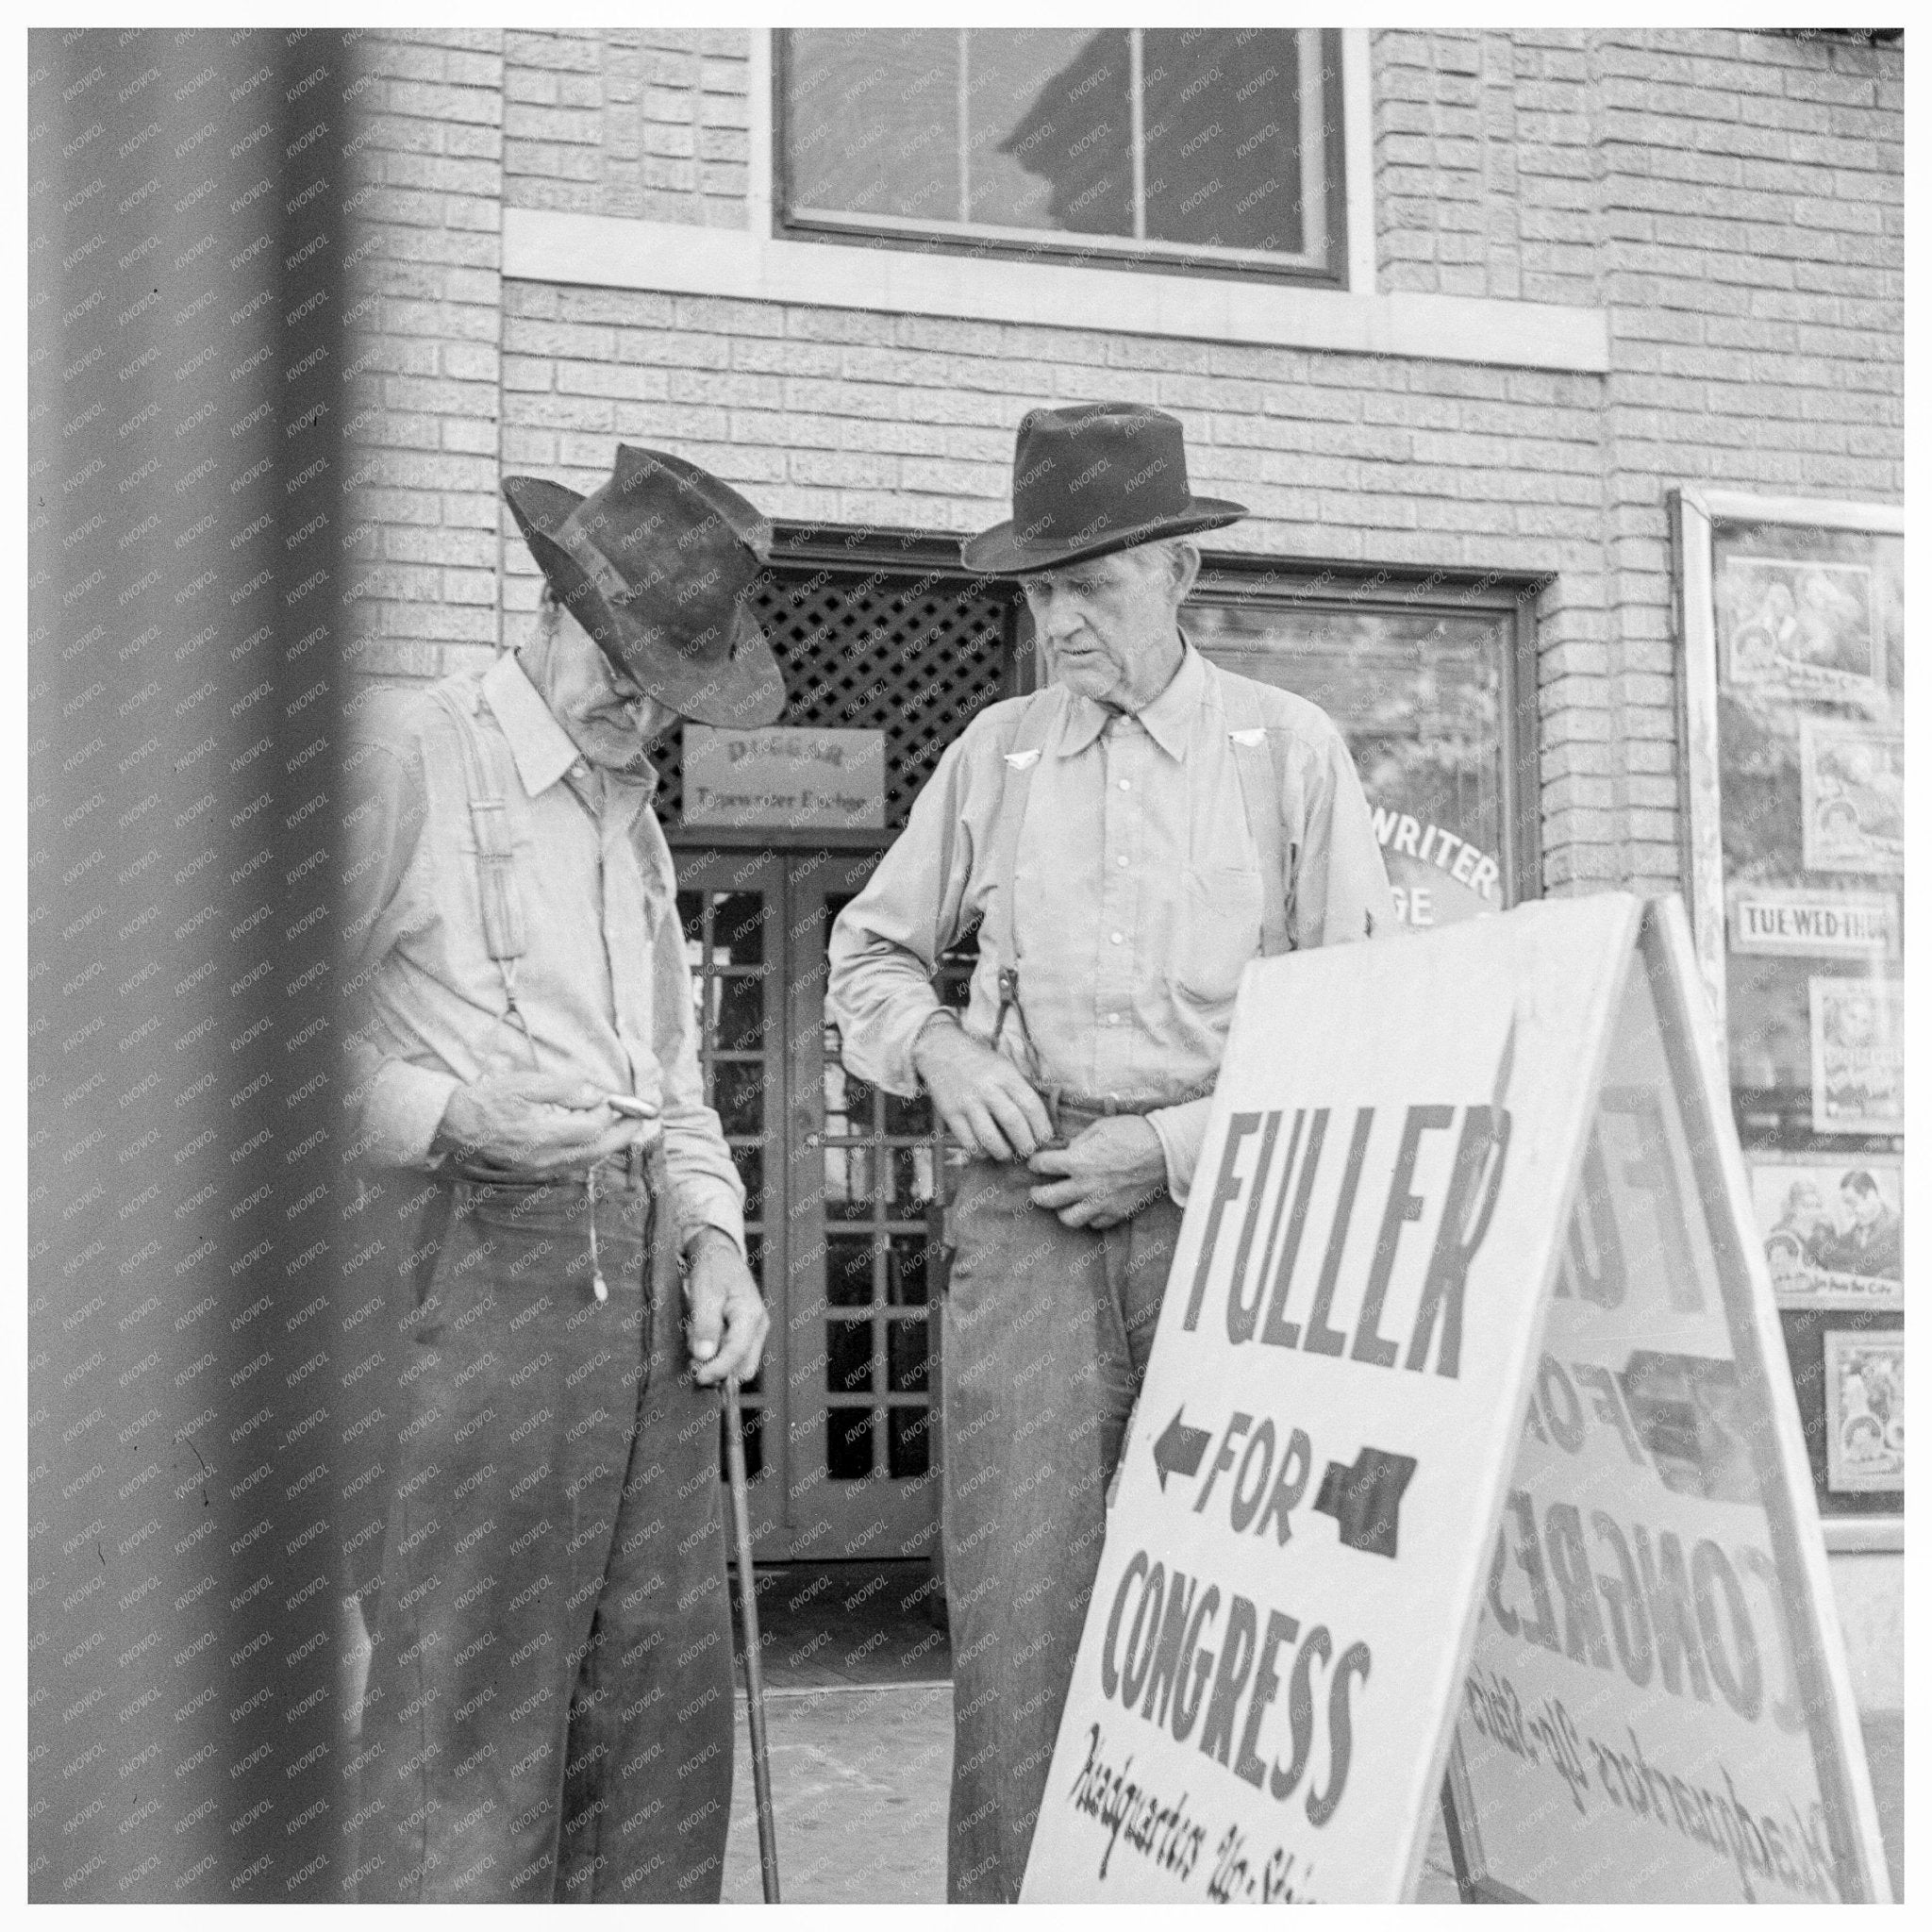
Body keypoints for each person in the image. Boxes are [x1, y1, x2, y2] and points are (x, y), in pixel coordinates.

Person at [825, 401, 1396, 1902]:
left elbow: (1363, 1019)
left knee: (1244, 1622)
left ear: (1180, 576)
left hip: (1241, 1220)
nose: (1059, 619)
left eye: (1093, 583)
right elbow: (866, 959)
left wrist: (1170, 1146)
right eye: (1038, 588)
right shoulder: (996, 756)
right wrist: (942, 1050)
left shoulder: (1290, 752)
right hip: (1024, 1226)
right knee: (1019, 1625)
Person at [340, 444, 778, 1902]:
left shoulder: (632, 818)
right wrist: (455, 1116)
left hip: (643, 1302)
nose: (634, 705)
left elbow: (675, 1087)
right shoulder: (406, 755)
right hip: (462, 1273)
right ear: (551, 604)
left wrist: (716, 1238)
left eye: (669, 686)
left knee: (653, 1720)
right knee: (469, 1717)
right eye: (618, 660)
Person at [1811, 1170, 1902, 1280]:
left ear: (1871, 1195)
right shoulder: (1857, 1230)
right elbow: (1834, 1252)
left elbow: (1860, 1264)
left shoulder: (1897, 1227)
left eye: (1852, 1203)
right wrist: (1822, 1229)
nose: (1849, 1212)